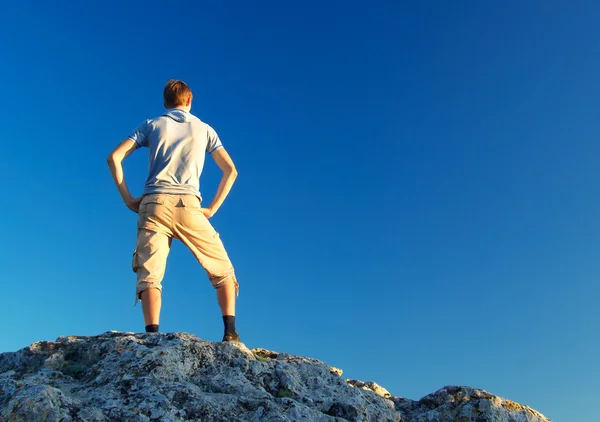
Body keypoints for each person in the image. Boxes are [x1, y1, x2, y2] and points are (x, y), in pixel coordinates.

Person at [106, 79, 240, 342]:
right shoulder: (205, 129)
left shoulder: (151, 124)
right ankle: (230, 333)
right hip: (189, 204)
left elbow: (114, 157)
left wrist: (128, 199)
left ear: (165, 102)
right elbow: (231, 170)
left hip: (153, 203)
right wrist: (212, 207)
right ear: (189, 101)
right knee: (222, 269)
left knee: (150, 273)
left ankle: (152, 337)